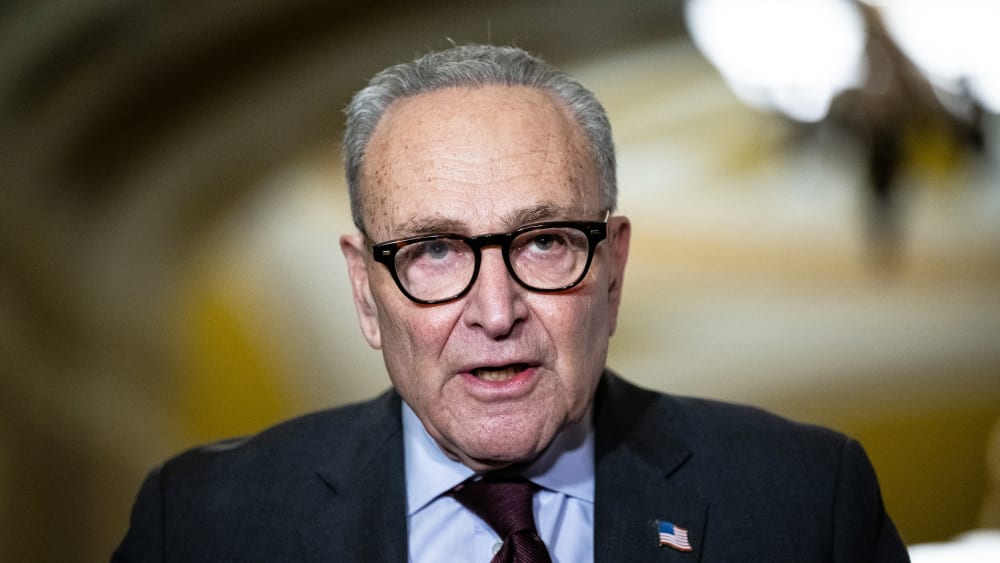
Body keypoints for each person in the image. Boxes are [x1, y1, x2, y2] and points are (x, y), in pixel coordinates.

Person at [113, 44, 909, 562]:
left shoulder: (807, 503)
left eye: (543, 242)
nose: (496, 312)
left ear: (613, 270)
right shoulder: (203, 525)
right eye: (433, 250)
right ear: (365, 290)